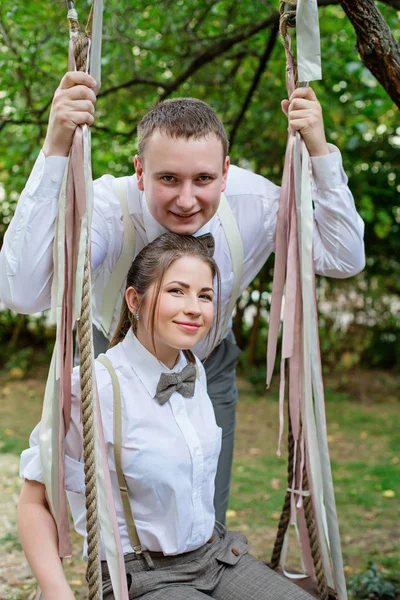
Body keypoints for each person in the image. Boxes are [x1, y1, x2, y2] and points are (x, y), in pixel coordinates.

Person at [0, 71, 365, 524]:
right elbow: (20, 290)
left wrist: (320, 154)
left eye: (204, 179)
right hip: (109, 365)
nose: (187, 200)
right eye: (168, 178)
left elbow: (343, 258)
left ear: (226, 173)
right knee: (115, 522)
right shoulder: (107, 210)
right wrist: (55, 150)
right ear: (139, 171)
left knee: (203, 517)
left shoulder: (257, 205)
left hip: (208, 370)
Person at [18, 232, 315, 600]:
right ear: (134, 300)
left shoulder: (194, 369)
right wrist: (54, 589)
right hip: (144, 576)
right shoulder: (91, 388)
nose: (194, 307)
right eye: (177, 290)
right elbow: (35, 502)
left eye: (204, 296)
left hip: (218, 557)